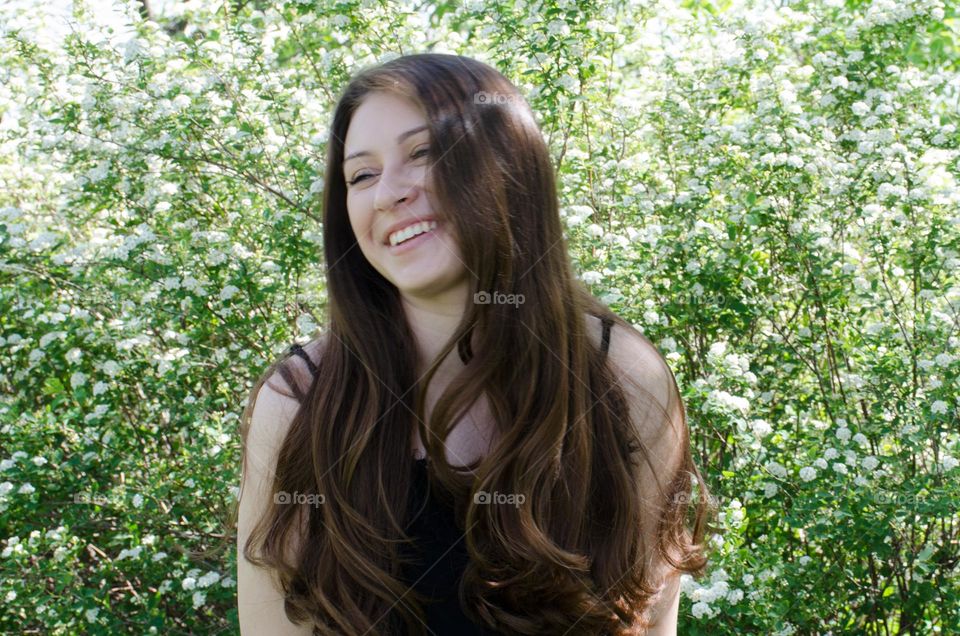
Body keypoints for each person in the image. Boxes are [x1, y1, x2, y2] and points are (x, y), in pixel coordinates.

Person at [235, 53, 715, 636]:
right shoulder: (299, 401)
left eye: (423, 152)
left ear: (509, 165)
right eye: (361, 175)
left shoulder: (620, 376)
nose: (387, 193)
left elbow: (645, 618)